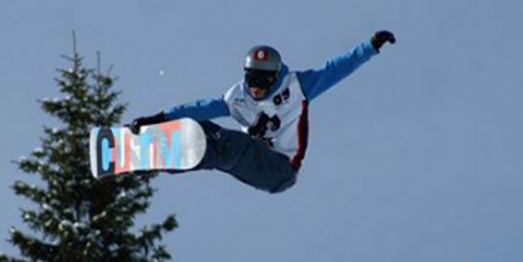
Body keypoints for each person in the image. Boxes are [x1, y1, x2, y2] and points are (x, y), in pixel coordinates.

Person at [129, 30, 396, 193]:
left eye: (263, 81)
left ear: (275, 77)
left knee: (228, 143)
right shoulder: (237, 98)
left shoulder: (298, 87)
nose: (256, 88)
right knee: (202, 130)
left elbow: (335, 69)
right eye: (252, 79)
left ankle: (167, 153)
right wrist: (160, 119)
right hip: (250, 161)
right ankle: (150, 158)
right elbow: (199, 108)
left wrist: (370, 47)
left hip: (280, 169)